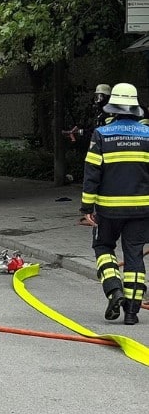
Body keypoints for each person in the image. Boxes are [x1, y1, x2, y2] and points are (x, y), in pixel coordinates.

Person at [81, 82, 149, 325]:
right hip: (141, 209)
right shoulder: (147, 134)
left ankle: (114, 291)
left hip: (108, 209)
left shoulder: (101, 134)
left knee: (103, 247)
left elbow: (92, 174)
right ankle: (131, 312)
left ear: (113, 107)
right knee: (134, 255)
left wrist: (86, 208)